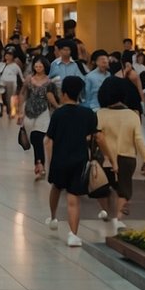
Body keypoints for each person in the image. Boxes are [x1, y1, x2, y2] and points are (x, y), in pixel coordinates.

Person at [45, 76, 104, 247]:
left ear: (63, 93)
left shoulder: (58, 114)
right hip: (79, 159)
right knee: (74, 197)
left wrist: (50, 161)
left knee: (56, 187)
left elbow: (48, 140)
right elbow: (95, 136)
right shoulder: (88, 114)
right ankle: (73, 234)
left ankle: (53, 216)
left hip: (60, 160)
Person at [95, 78, 145, 231]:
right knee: (124, 188)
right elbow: (139, 138)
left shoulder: (100, 114)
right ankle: (118, 218)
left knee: (101, 186)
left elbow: (96, 136)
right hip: (127, 157)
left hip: (105, 157)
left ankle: (106, 211)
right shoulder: (132, 115)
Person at [19, 57, 57, 180]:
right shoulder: (29, 80)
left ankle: (39, 164)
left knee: (38, 137)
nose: (38, 68)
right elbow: (23, 93)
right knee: (33, 138)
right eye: (36, 66)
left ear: (45, 67)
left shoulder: (50, 82)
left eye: (40, 66)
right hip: (29, 111)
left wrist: (57, 106)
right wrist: (20, 111)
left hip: (43, 112)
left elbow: (52, 97)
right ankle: (39, 162)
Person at [0, 49, 23, 118]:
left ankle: (10, 111)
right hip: (2, 82)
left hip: (11, 83)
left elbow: (21, 76)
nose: (8, 56)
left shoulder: (15, 66)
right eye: (6, 55)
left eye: (10, 55)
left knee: (10, 98)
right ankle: (0, 111)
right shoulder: (1, 64)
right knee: (1, 97)